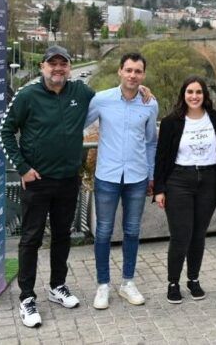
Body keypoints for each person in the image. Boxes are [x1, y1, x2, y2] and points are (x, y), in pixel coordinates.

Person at [0, 45, 94, 328]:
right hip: (37, 182)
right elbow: (5, 130)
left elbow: (113, 98)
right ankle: (27, 297)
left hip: (68, 180)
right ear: (42, 67)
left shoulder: (80, 92)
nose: (58, 69)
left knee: (62, 236)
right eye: (52, 64)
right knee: (31, 239)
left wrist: (142, 93)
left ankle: (57, 287)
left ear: (69, 67)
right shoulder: (28, 94)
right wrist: (23, 168)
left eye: (63, 64)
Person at [87, 53, 158, 308]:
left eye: (137, 71)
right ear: (120, 71)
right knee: (104, 232)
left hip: (137, 178)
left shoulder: (150, 104)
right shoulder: (102, 100)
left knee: (132, 231)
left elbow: (151, 142)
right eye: (128, 70)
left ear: (143, 75)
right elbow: (79, 123)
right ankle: (102, 285)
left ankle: (127, 282)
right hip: (107, 176)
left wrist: (151, 175)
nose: (132, 75)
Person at [153, 76, 216, 304]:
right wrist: (160, 189)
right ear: (183, 95)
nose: (194, 96)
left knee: (198, 235)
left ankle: (193, 279)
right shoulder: (171, 122)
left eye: (198, 92)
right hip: (179, 181)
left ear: (205, 95)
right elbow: (161, 158)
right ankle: (173, 282)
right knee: (181, 235)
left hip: (208, 180)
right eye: (189, 92)